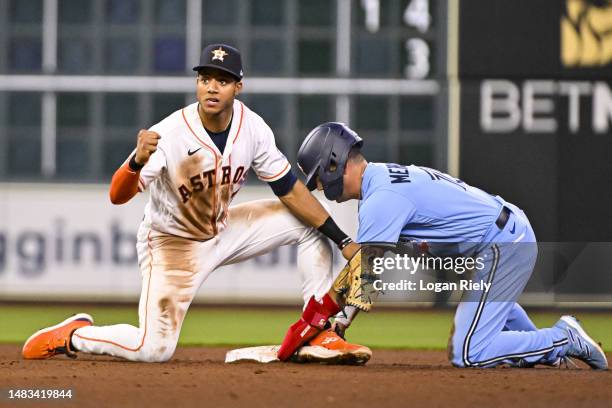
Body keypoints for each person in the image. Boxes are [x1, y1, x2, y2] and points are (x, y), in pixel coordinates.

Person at [21, 45, 370, 364]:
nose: (212, 87)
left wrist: (344, 240)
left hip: (223, 229)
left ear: (238, 87)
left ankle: (317, 331)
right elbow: (117, 195)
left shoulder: (253, 128)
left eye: (222, 80)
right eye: (205, 79)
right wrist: (136, 162)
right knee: (153, 349)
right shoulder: (170, 134)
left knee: (308, 225)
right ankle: (75, 336)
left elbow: (290, 190)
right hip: (172, 244)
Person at [282, 121, 608, 370]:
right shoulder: (382, 179)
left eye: (319, 178)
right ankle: (550, 353)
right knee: (489, 319)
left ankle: (563, 338)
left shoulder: (381, 198)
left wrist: (335, 322)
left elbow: (367, 277)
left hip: (501, 243)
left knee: (468, 352)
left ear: (335, 163)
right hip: (500, 237)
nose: (320, 187)